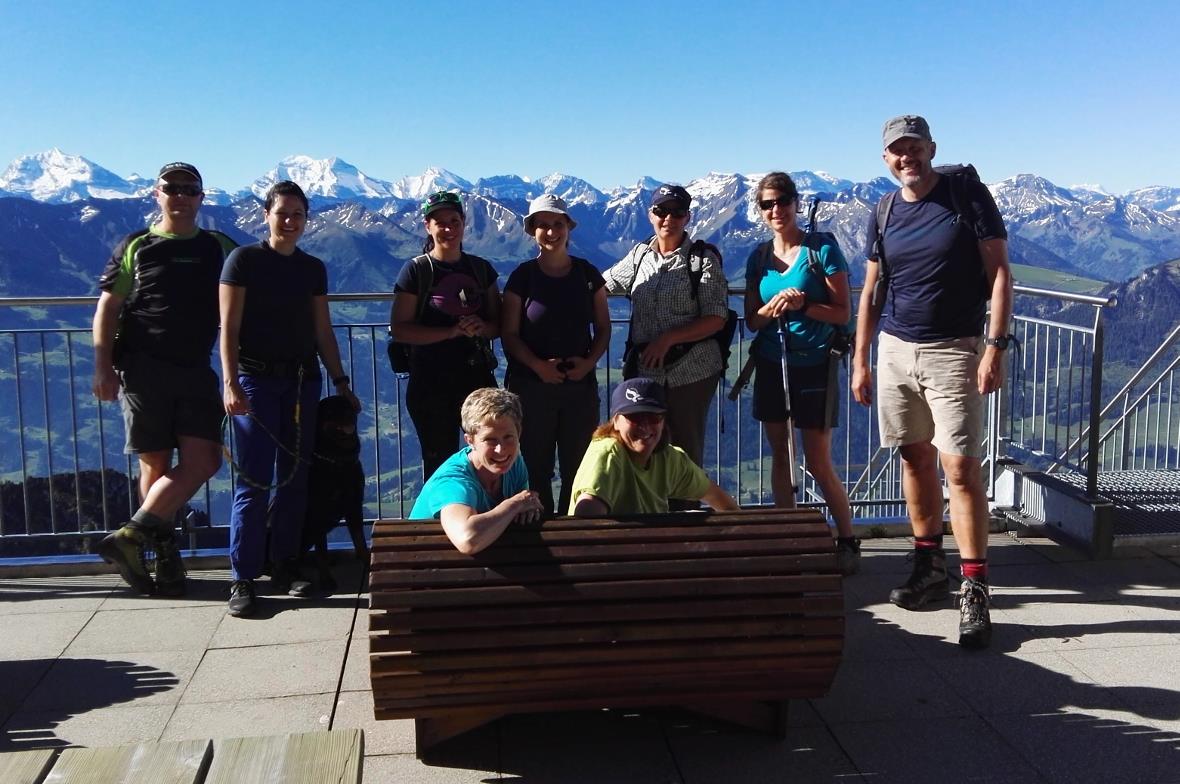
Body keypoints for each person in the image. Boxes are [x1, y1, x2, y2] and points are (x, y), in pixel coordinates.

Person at [852, 115, 1013, 649]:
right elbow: (872, 288)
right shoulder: (884, 209)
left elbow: (999, 273)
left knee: (961, 468)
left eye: (914, 148)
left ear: (931, 149)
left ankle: (975, 589)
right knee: (913, 458)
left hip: (955, 350)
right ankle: (928, 568)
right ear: (886, 158)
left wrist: (994, 347)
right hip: (896, 349)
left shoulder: (966, 196)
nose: (906, 158)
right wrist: (861, 358)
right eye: (897, 151)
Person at [94, 162, 236, 597]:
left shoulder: (218, 245)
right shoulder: (137, 245)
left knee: (205, 460)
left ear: (201, 197)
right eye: (172, 188)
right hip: (141, 369)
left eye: (189, 189)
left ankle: (132, 536)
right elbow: (108, 309)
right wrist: (102, 366)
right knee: (154, 466)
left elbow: (249, 286)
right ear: (157, 194)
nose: (180, 195)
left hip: (194, 368)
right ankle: (165, 555)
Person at [220, 180, 360, 617]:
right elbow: (230, 327)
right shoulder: (243, 261)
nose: (290, 221)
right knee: (255, 481)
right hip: (256, 382)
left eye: (298, 214)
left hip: (303, 382)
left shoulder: (312, 268)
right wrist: (229, 382)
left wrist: (340, 381)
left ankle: (284, 562)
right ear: (267, 214)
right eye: (283, 212)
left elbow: (322, 329)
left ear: (306, 219)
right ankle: (242, 575)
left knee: (296, 479)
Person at [743, 172, 860, 575]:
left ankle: (847, 539)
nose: (776, 210)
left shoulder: (821, 249)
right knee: (780, 453)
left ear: (795, 203)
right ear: (760, 210)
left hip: (815, 364)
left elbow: (844, 313)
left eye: (782, 201)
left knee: (816, 459)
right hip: (773, 363)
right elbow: (752, 323)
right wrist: (772, 307)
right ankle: (785, 536)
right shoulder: (759, 257)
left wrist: (802, 305)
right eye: (767, 204)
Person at [601, 184, 727, 471]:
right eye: (661, 210)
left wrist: (668, 339)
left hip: (692, 370)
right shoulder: (640, 255)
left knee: (684, 449)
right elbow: (602, 284)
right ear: (650, 215)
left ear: (688, 217)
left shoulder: (702, 260)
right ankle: (653, 510)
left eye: (677, 211)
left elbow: (716, 317)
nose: (668, 218)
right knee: (644, 446)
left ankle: (686, 512)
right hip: (647, 371)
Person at [501, 194, 610, 515]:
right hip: (530, 388)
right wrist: (538, 367)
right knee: (534, 466)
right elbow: (508, 333)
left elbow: (603, 327)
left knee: (580, 466)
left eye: (557, 224)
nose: (551, 232)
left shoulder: (588, 274)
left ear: (568, 228)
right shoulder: (522, 277)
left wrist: (589, 363)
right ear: (532, 230)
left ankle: (575, 533)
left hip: (579, 387)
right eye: (543, 226)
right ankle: (540, 530)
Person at [390, 191, 501, 481]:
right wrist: (450, 332)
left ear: (464, 223)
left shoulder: (481, 269)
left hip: (477, 381)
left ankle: (483, 520)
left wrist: (482, 328)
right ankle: (442, 522)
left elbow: (499, 323)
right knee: (439, 463)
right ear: (428, 226)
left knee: (487, 458)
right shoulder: (416, 271)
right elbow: (400, 328)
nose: (449, 229)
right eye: (441, 222)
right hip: (430, 383)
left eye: (454, 221)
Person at [569, 378, 739, 516]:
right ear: (615, 421)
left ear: (663, 420)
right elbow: (587, 519)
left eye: (653, 417)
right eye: (635, 417)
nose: (644, 426)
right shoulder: (607, 455)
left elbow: (718, 498)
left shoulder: (669, 458)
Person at [409, 388, 543, 554]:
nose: (501, 450)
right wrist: (514, 505)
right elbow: (468, 539)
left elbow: (525, 508)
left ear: (519, 432)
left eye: (509, 437)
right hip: (426, 568)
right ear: (470, 440)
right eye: (490, 440)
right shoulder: (453, 481)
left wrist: (528, 506)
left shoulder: (514, 463)